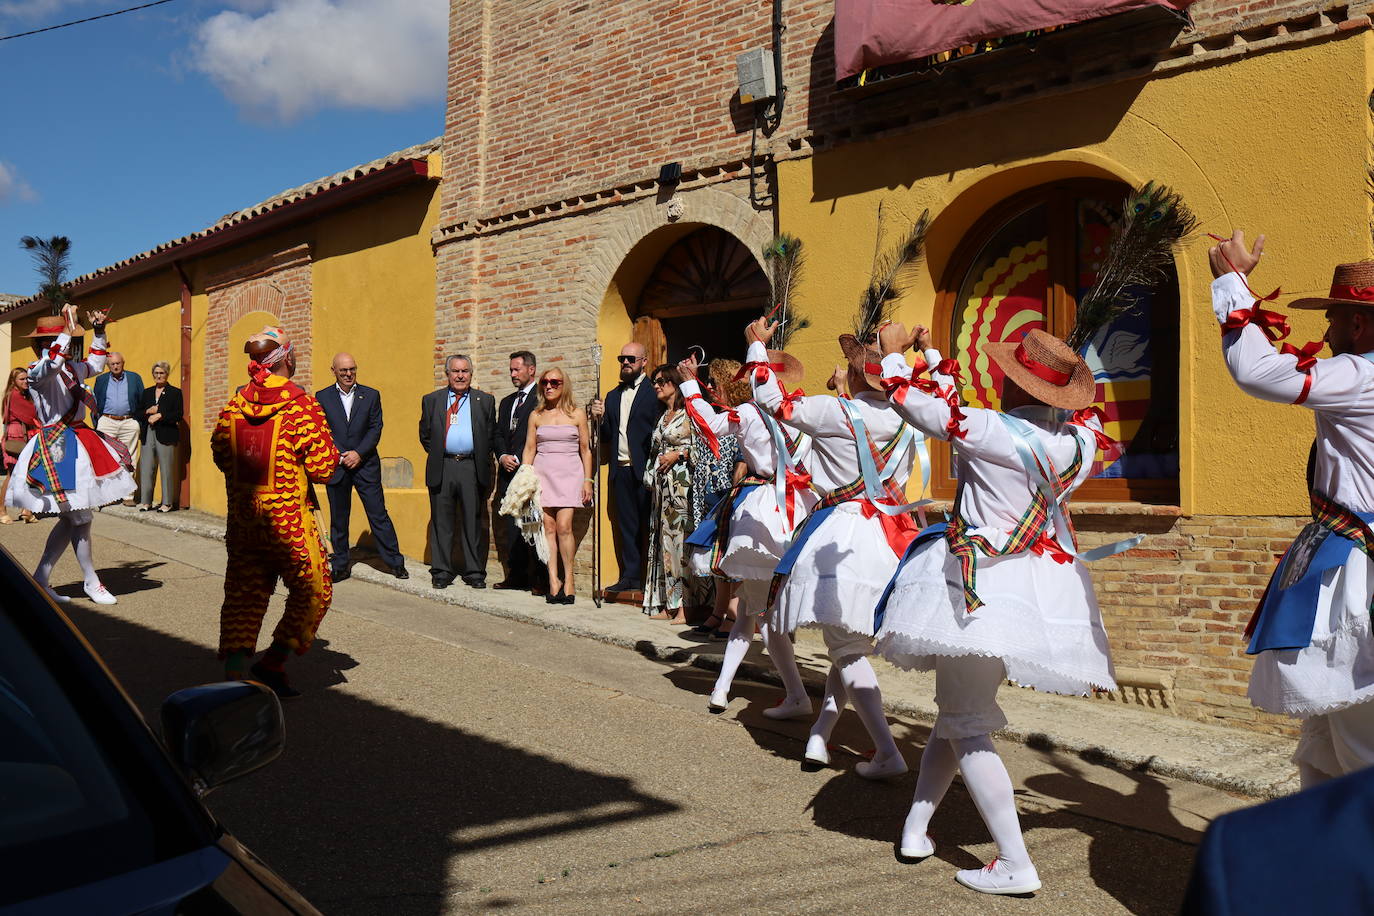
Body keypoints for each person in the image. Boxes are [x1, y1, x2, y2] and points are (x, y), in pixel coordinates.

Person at [872, 321, 1116, 896]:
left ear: (1012, 386)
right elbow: (1085, 417)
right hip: (1028, 591)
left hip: (975, 590)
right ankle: (916, 826)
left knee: (966, 721)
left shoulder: (987, 428)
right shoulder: (1078, 446)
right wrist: (930, 355)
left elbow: (916, 404)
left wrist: (893, 355)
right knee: (961, 712)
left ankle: (1014, 861)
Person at [1209, 232, 1374, 787]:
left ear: (1359, 323)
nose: (1325, 333)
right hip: (1347, 562)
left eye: (1334, 319)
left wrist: (1232, 283)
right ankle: (1319, 865)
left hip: (1358, 573)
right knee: (1323, 748)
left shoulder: (1362, 375)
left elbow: (1261, 373)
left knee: (1357, 750)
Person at [748, 318, 917, 781]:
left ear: (861, 373)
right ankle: (821, 734)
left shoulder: (837, 412)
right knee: (849, 645)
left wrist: (758, 350)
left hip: (844, 534)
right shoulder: (909, 420)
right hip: (891, 533)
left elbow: (771, 400)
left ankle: (886, 750)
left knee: (846, 648)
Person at [678, 349, 818, 713]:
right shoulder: (800, 410)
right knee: (752, 613)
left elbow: (708, 424)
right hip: (801, 509)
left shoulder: (752, 414)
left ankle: (793, 696)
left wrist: (689, 384)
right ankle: (728, 688)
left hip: (767, 514)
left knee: (760, 613)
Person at [212, 326, 339, 698]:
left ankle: (234, 678)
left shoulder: (234, 405)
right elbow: (323, 468)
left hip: (244, 519)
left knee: (243, 595)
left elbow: (221, 454)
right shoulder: (300, 405)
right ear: (286, 357)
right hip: (288, 524)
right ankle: (272, 663)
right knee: (314, 590)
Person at [7, 306, 135, 605]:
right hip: (57, 446)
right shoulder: (38, 370)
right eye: (57, 339)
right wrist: (69, 326)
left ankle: (41, 579)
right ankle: (90, 582)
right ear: (43, 345)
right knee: (79, 516)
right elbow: (51, 363)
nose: (67, 344)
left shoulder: (70, 368)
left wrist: (100, 332)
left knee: (75, 518)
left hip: (77, 442)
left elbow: (97, 363)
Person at [316, 353, 407, 581]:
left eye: (352, 369)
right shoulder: (322, 397)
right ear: (333, 371)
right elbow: (322, 430)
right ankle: (340, 565)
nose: (348, 374)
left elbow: (376, 428)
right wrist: (341, 454)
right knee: (339, 517)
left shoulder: (371, 395)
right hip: (337, 466)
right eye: (343, 370)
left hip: (365, 464)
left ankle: (395, 562)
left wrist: (358, 453)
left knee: (378, 514)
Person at [589, 342, 664, 594]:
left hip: (646, 469)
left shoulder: (654, 392)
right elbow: (607, 435)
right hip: (620, 470)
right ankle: (630, 577)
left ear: (644, 361)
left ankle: (653, 580)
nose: (626, 362)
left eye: (631, 358)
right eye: (622, 358)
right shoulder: (612, 396)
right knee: (627, 526)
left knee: (651, 525)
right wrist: (598, 419)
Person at [419, 354, 496, 589]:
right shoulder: (432, 400)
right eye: (455, 371)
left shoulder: (485, 400)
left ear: (471, 374)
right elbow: (425, 434)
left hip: (471, 467)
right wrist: (443, 453)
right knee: (442, 521)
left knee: (473, 521)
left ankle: (474, 572)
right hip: (443, 466)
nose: (460, 375)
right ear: (447, 374)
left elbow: (490, 435)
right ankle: (442, 570)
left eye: (465, 371)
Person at [522, 367, 593, 604]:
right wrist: (524, 480)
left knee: (564, 527)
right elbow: (530, 448)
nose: (549, 386)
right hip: (542, 475)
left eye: (555, 382)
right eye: (545, 382)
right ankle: (554, 581)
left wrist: (588, 480)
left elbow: (586, 449)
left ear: (565, 385)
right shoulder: (536, 415)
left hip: (570, 474)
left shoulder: (577, 414)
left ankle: (569, 580)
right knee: (547, 529)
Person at [685, 359, 745, 615]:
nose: (709, 386)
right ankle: (719, 610)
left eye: (714, 382)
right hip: (709, 493)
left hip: (730, 493)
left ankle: (734, 613)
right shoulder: (718, 415)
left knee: (733, 557)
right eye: (706, 381)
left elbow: (742, 462)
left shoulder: (741, 415)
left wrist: (735, 491)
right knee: (716, 557)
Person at [642, 365, 694, 623]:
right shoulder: (662, 416)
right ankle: (668, 604)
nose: (657, 385)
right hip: (662, 490)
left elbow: (704, 447)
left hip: (682, 489)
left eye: (662, 381)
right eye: (654, 381)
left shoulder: (690, 414)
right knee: (664, 544)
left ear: (675, 382)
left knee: (680, 545)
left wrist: (679, 453)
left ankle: (685, 608)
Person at [495, 350, 544, 591]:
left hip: (531, 471)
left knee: (533, 523)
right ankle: (516, 576)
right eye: (511, 370)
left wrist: (520, 457)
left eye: (517, 369)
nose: (513, 374)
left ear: (531, 369)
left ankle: (539, 578)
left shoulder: (542, 397)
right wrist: (503, 455)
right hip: (507, 473)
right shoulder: (506, 402)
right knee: (512, 527)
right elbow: (499, 434)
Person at [93, 351, 143, 507]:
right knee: (107, 457)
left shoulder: (134, 378)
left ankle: (128, 495)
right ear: (108, 366)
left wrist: (138, 422)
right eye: (112, 364)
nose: (115, 366)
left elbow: (141, 401)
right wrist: (98, 422)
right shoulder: (101, 380)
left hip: (129, 421)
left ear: (123, 363)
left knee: (129, 457)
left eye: (118, 363)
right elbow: (95, 402)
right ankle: (111, 495)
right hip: (107, 421)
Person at [135, 361, 182, 512]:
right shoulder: (147, 392)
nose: (158, 376)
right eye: (156, 373)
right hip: (148, 433)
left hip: (166, 434)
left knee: (166, 469)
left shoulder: (175, 392)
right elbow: (137, 413)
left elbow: (178, 414)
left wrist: (160, 414)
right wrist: (148, 412)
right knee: (147, 467)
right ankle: (146, 502)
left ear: (167, 374)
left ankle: (167, 503)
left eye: (161, 373)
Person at [1, 368, 39, 524]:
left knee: (28, 474)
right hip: (17, 436)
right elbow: (32, 413)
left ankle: (26, 510)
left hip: (24, 434)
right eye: (21, 379)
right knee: (12, 475)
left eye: (26, 379)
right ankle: (2, 510)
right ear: (13, 381)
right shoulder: (15, 396)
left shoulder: (21, 395)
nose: (25, 382)